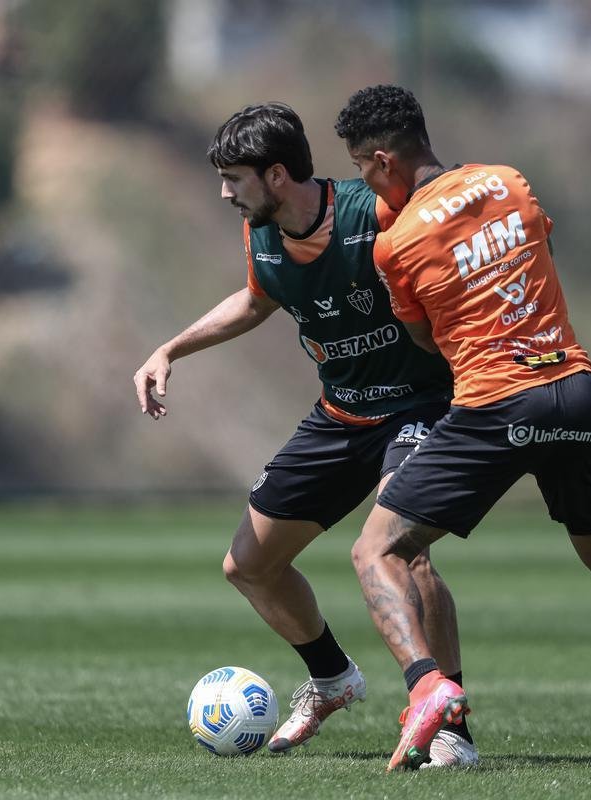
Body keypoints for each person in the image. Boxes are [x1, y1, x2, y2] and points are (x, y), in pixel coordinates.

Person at [334, 84, 591, 772]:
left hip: (496, 403)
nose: (363, 181)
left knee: (377, 548)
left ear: (383, 161)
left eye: (362, 168)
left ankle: (427, 688)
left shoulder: (396, 244)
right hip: (573, 388)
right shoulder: (509, 180)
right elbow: (531, 253)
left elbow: (424, 340)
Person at [134, 102, 478, 765]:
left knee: (403, 552)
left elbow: (450, 251)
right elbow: (257, 299)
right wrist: (169, 350)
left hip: (422, 407)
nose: (225, 193)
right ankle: (332, 679)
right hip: (342, 413)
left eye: (235, 179)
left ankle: (452, 726)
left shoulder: (371, 213)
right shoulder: (263, 234)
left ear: (279, 174)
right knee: (249, 565)